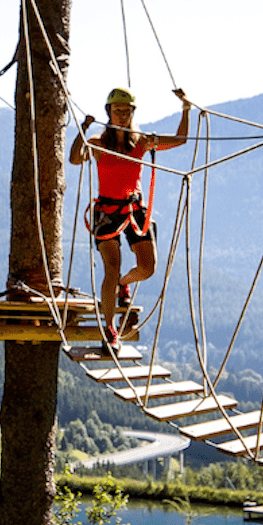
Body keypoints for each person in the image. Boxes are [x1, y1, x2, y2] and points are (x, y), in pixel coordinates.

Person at [69, 87, 191, 353]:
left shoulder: (142, 142)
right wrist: (83, 129)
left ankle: (124, 284)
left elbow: (181, 139)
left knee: (147, 269)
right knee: (110, 269)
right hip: (108, 212)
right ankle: (110, 330)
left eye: (126, 111)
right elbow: (75, 159)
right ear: (109, 113)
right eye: (117, 111)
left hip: (135, 210)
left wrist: (186, 109)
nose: (122, 116)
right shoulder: (99, 143)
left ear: (133, 113)